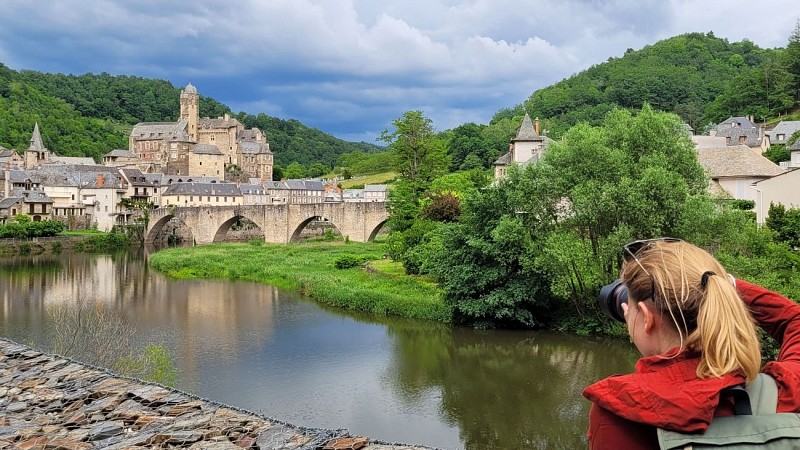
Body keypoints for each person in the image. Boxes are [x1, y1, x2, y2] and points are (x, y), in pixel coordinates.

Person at [583, 238, 800, 449]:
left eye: (629, 309)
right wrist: (721, 283)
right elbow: (794, 320)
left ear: (647, 318)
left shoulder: (619, 412)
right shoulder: (784, 390)